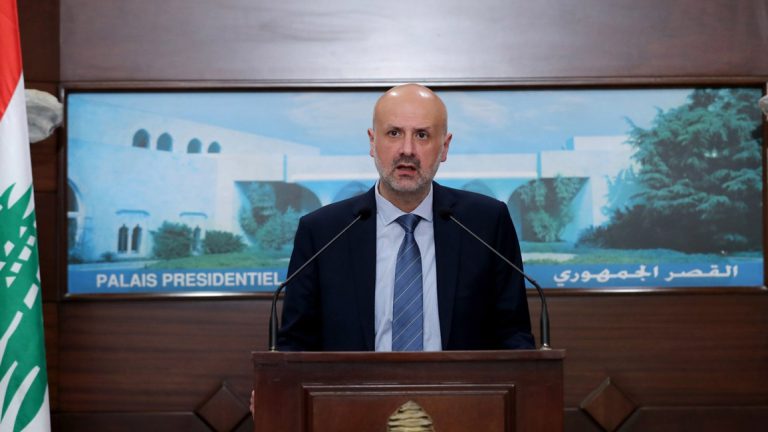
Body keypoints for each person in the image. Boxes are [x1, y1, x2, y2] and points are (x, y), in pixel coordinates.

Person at [276, 84, 534, 351]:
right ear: (372, 142)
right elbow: (294, 344)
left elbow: (514, 335)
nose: (407, 150)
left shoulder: (486, 223)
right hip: (356, 380)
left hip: (459, 380)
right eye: (394, 133)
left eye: (422, 135)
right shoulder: (323, 232)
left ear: (444, 147)